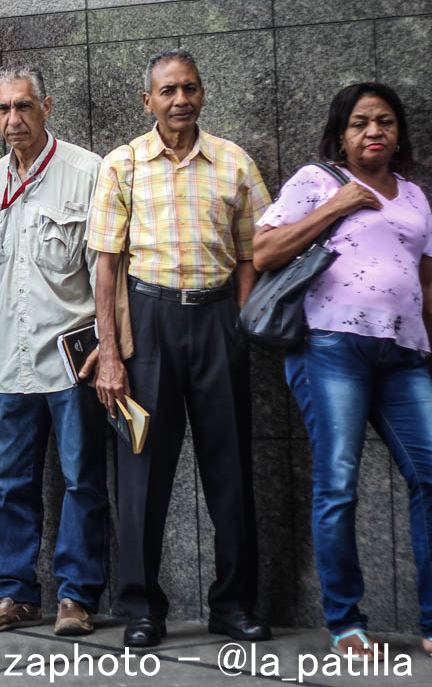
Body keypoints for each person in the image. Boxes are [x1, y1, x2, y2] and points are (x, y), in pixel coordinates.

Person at [87, 50, 273, 648]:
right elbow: (107, 266)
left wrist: (242, 322)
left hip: (219, 320)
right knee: (143, 474)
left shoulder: (235, 163)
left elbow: (253, 252)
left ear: (202, 93)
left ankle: (234, 605)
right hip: (150, 323)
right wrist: (110, 353)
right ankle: (143, 608)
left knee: (231, 470)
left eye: (189, 87)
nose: (180, 99)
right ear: (149, 101)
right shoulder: (123, 165)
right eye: (167, 91)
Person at [254, 83, 432, 659]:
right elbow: (264, 253)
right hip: (331, 346)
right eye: (360, 123)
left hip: (404, 354)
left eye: (383, 122)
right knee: (338, 483)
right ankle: (346, 621)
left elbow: (426, 282)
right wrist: (338, 205)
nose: (373, 132)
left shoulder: (415, 198)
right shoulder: (315, 182)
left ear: (399, 132)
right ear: (342, 132)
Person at [0, 66, 108, 637]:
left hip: (72, 355)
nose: (13, 120)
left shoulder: (86, 171)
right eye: (3, 110)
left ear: (46, 105)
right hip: (11, 356)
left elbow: (103, 271)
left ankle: (76, 597)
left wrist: (111, 347)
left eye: (23, 107)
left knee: (81, 480)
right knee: (12, 482)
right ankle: (14, 595)